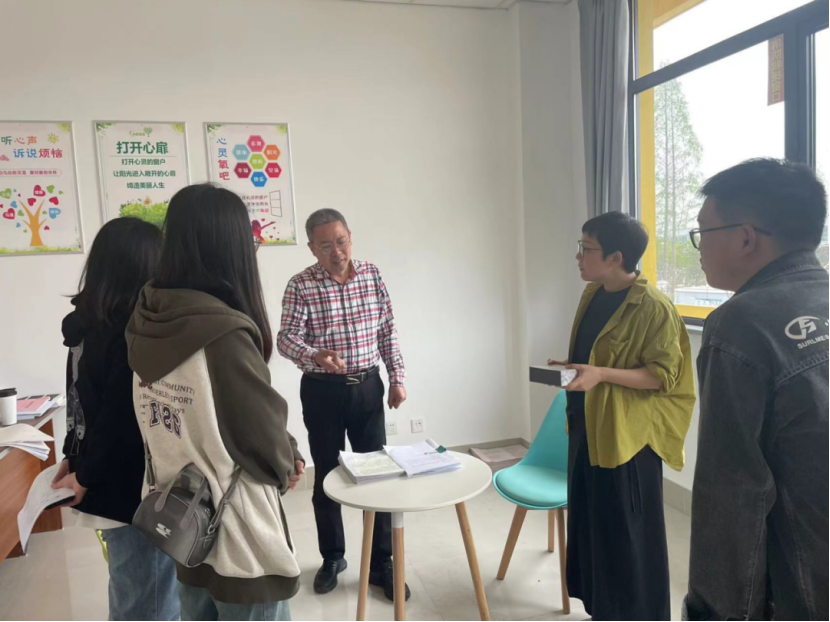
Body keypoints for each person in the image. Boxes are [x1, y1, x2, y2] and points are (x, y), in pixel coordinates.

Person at [126, 184, 305, 622]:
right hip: (239, 535)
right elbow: (260, 435)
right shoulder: (222, 334)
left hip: (184, 523)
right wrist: (287, 463)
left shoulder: (148, 319)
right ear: (232, 247)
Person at [685, 159, 829, 621]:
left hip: (801, 588)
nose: (699, 246)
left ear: (746, 238)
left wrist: (711, 612)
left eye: (703, 231)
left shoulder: (740, 325)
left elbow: (731, 497)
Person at [549, 211, 696, 621]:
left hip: (628, 440)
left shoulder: (654, 307)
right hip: (586, 429)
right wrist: (575, 367)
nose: (578, 256)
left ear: (616, 257)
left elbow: (661, 376)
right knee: (594, 532)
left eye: (586, 248)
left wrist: (600, 374)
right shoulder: (593, 293)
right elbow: (596, 357)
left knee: (628, 541)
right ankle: (602, 610)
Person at [52, 217, 180, 621]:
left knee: (132, 587)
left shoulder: (85, 323)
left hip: (107, 481)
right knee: (147, 597)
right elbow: (119, 420)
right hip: (132, 488)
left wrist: (76, 458)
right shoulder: (132, 333)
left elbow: (80, 402)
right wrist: (81, 469)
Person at [277, 208, 409, 602]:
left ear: (350, 237)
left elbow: (387, 329)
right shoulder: (301, 285)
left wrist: (397, 377)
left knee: (379, 475)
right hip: (322, 391)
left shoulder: (371, 274)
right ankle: (333, 556)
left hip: (368, 387)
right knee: (327, 476)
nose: (336, 252)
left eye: (341, 242)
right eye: (325, 246)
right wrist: (314, 354)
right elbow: (285, 338)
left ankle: (382, 561)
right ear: (311, 248)